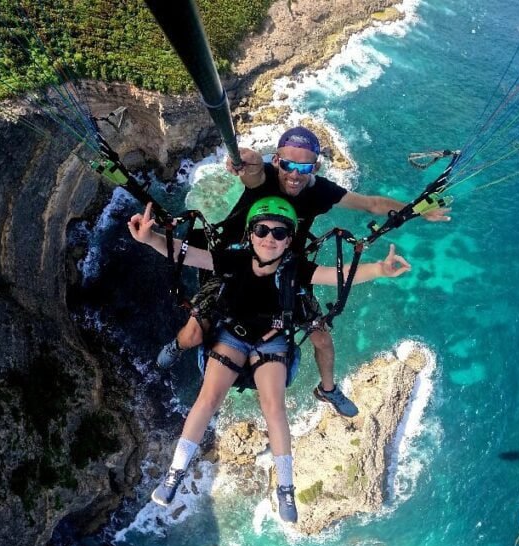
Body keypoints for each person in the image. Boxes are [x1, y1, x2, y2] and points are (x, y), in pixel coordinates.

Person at [128, 197, 411, 523]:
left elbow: (340, 274)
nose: (269, 238)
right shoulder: (232, 260)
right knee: (208, 398)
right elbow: (185, 253)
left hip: (272, 341)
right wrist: (148, 237)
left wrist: (379, 269)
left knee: (274, 407)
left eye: (279, 233)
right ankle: (175, 473)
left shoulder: (297, 269)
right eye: (261, 230)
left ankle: (286, 487)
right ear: (250, 234)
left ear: (289, 240)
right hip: (233, 335)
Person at [156, 126, 450, 418]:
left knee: (321, 338)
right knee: (194, 332)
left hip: (287, 269)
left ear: (316, 166)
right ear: (276, 161)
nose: (294, 174)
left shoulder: (320, 191)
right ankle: (177, 344)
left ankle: (328, 389)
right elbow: (251, 170)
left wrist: (417, 210)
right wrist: (246, 160)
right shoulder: (264, 178)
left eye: (304, 166)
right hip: (232, 262)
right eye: (287, 164)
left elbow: (371, 204)